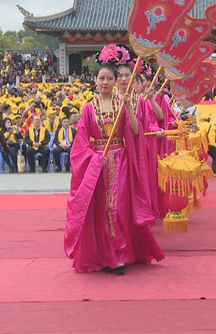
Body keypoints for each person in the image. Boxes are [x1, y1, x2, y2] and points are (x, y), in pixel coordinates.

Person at [64, 62, 163, 275]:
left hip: (121, 162)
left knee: (118, 209)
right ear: (96, 81)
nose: (106, 82)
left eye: (110, 78)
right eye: (102, 78)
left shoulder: (121, 104)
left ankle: (120, 254)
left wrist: (128, 107)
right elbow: (81, 143)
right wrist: (93, 158)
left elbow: (136, 130)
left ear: (116, 81)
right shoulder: (89, 108)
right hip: (97, 165)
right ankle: (107, 256)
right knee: (102, 211)